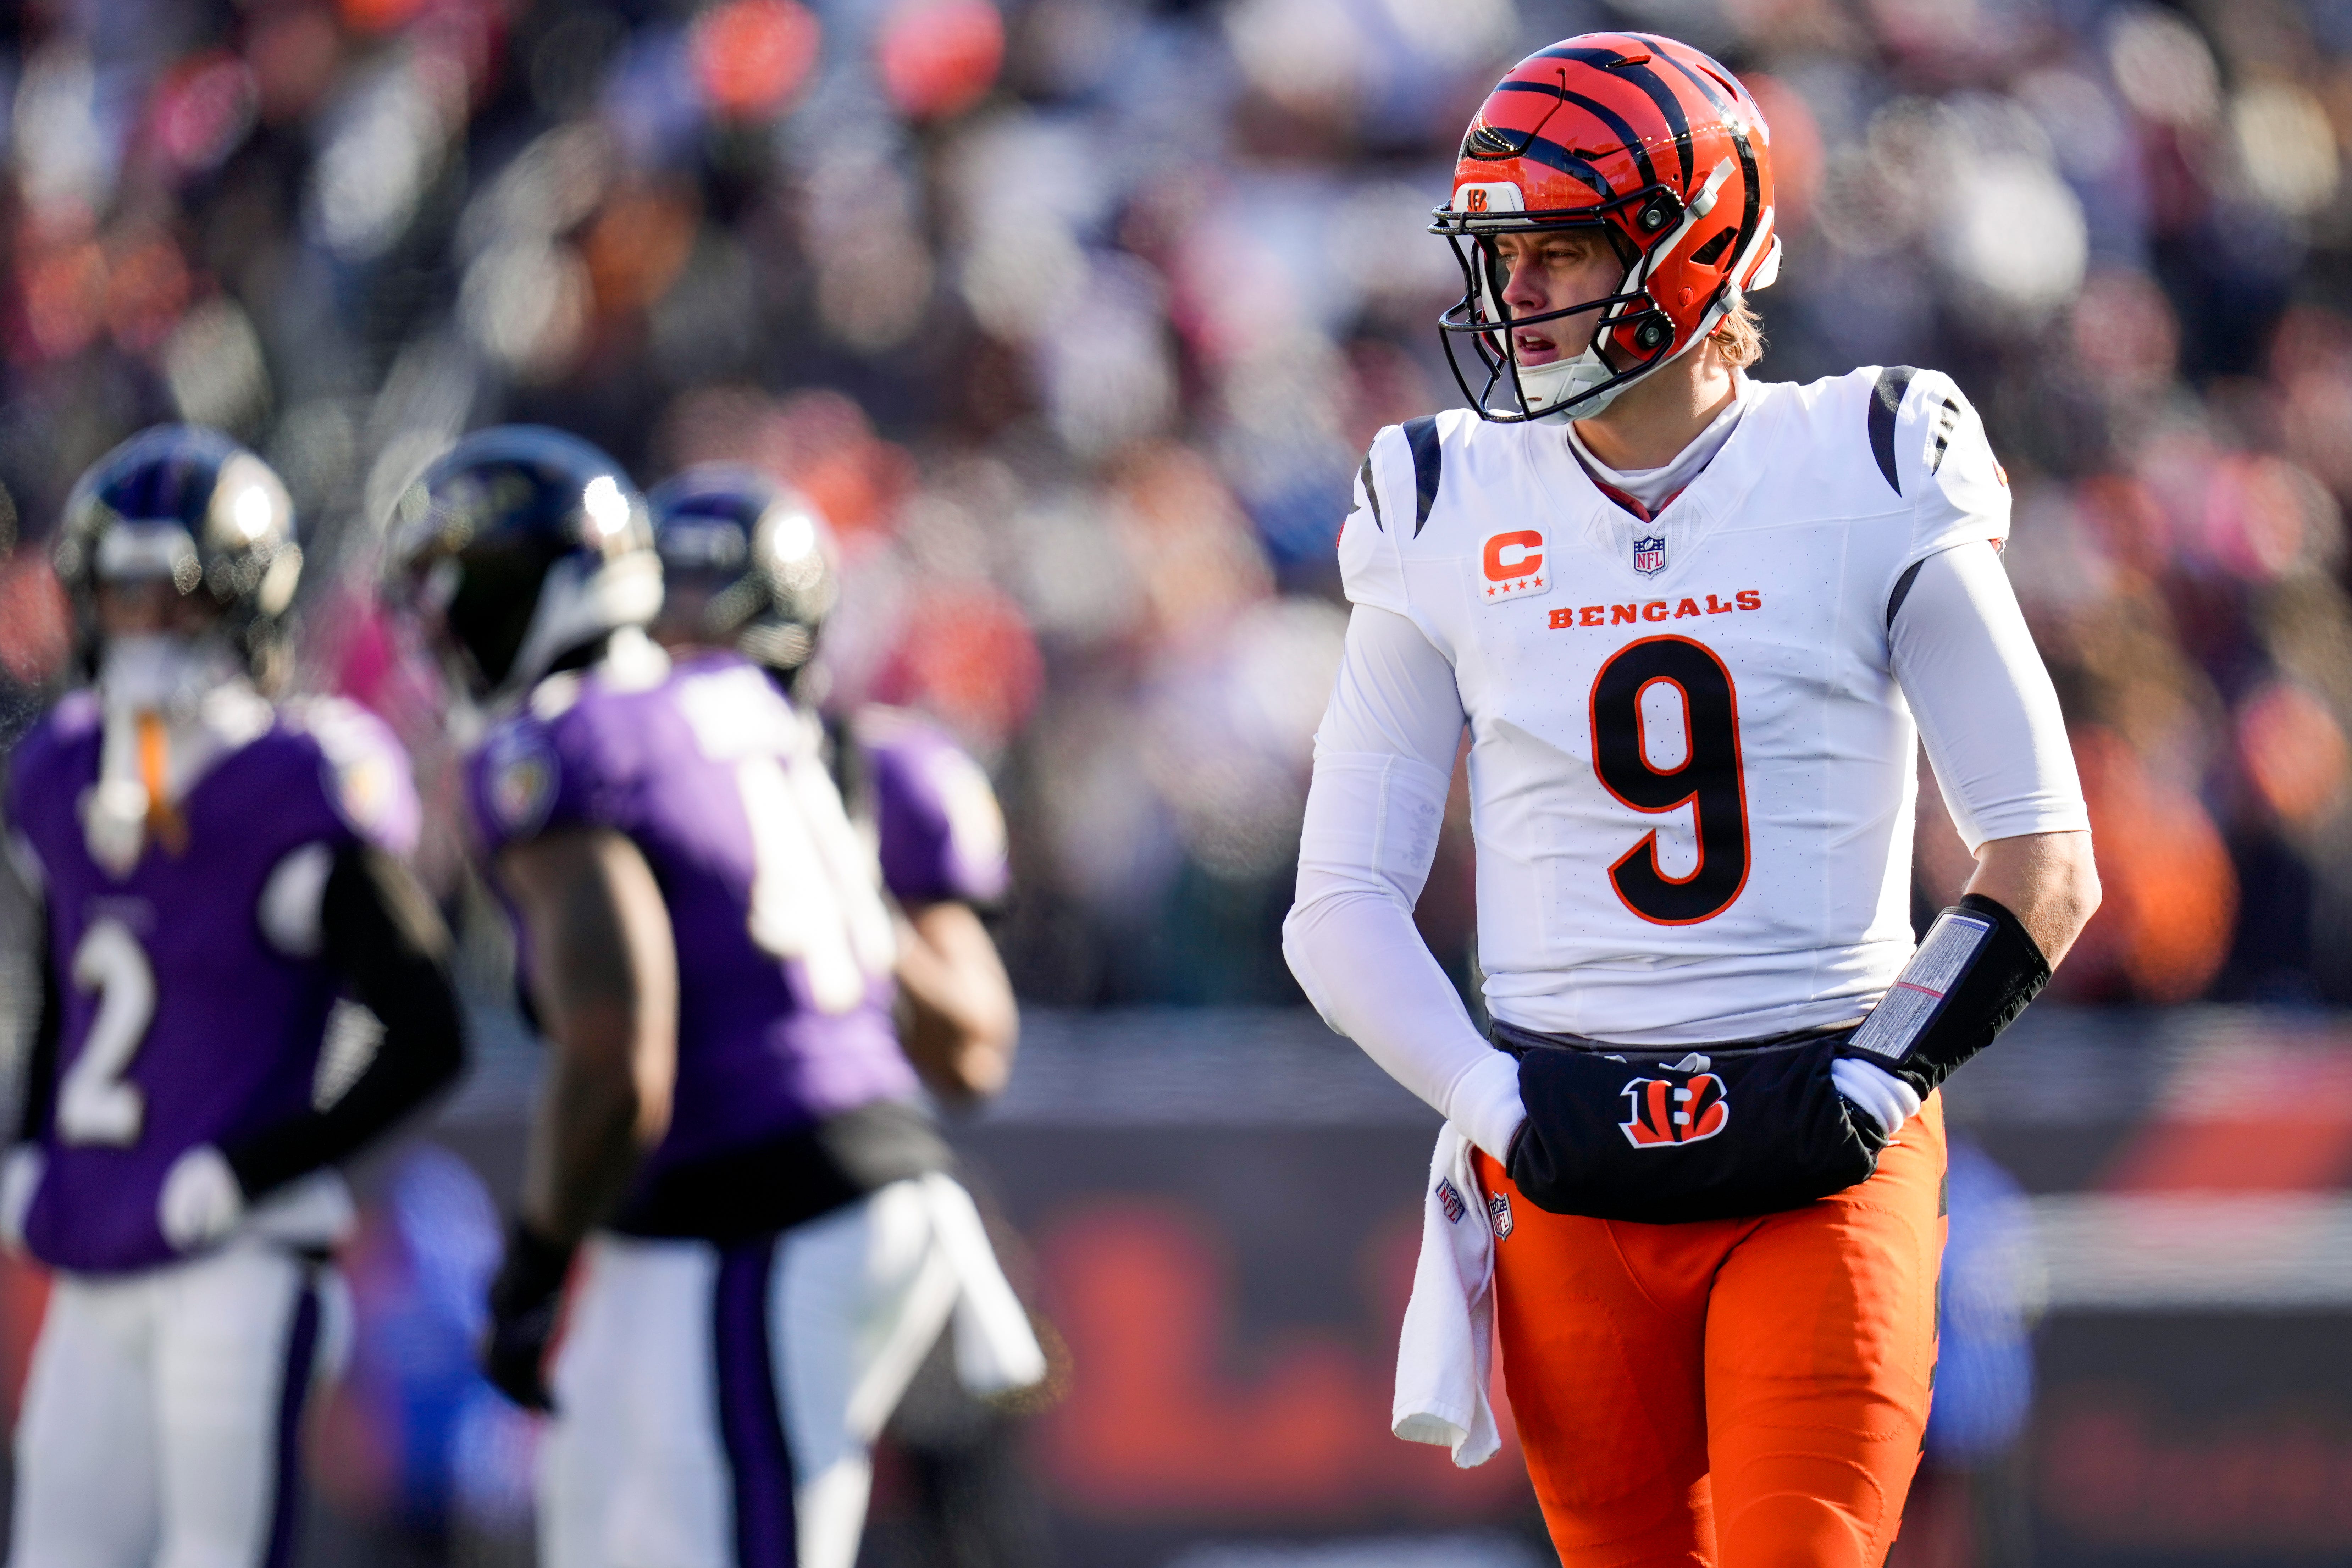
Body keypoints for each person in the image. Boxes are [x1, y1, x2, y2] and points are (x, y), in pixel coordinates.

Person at [1282, 31, 2100, 1568]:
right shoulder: (1439, 494)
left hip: (1818, 1136)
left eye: (1559, 249)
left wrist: (1873, 1078)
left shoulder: (1866, 457)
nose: (1511, 295)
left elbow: (2040, 853)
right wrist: (1499, 1106)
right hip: (1567, 1153)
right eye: (1498, 256)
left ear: (1687, 242)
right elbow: (1336, 906)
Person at [390, 427, 1040, 1568]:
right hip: (707, 1204)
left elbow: (618, 1048)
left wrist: (531, 1271)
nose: (688, 645)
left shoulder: (589, 746)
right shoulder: (733, 735)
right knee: (608, 1524)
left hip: (787, 1191)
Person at [0, 425, 467, 1568]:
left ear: (245, 608)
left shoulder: (298, 779)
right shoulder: (68, 771)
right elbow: (72, 979)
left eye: (176, 599)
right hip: (101, 1249)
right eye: (123, 597)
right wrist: (26, 1143)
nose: (145, 628)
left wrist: (254, 1168)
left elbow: (431, 1033)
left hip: (237, 1256)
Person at [646, 464, 1044, 1568]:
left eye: (703, 618)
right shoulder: (614, 771)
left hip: (847, 1194)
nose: (679, 652)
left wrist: (846, 899)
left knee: (937, 1522)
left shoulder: (882, 774)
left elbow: (974, 1049)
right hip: (683, 1213)